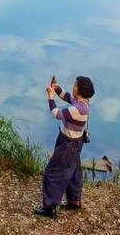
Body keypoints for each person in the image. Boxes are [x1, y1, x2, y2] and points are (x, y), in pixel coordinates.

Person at [35, 75, 95, 218]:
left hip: (68, 144)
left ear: (79, 90)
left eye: (75, 85)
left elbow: (56, 113)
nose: (73, 87)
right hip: (76, 142)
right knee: (74, 172)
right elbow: (68, 97)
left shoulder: (77, 110)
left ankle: (49, 208)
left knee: (52, 173)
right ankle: (74, 201)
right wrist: (57, 89)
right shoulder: (84, 102)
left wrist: (50, 97)